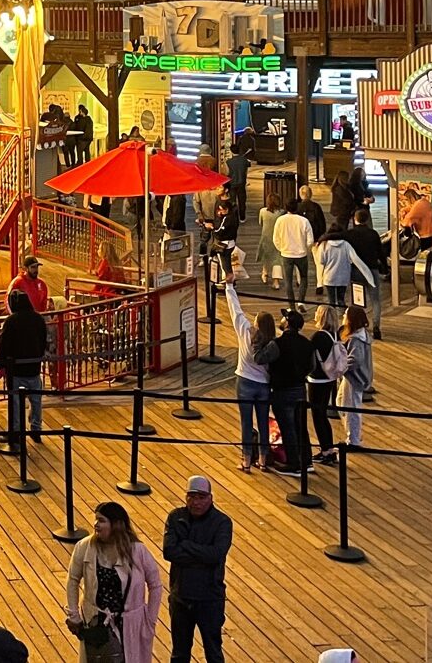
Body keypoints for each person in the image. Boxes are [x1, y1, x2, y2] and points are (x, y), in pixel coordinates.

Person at [65, 500, 163, 663]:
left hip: (129, 626)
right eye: (96, 519)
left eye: (102, 520)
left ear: (116, 525)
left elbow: (156, 585)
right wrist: (74, 615)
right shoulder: (85, 547)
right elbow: (73, 580)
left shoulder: (138, 551)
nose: (96, 524)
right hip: (96, 624)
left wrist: (150, 620)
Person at [162, 474, 232, 663]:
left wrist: (185, 544)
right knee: (179, 654)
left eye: (201, 497)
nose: (196, 502)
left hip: (209, 599)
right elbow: (169, 552)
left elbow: (216, 554)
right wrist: (201, 554)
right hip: (181, 598)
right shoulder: (175, 517)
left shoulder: (222, 522)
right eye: (191, 496)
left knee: (213, 653)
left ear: (210, 498)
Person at [223, 283, 275, 471]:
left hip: (244, 381)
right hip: (263, 385)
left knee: (246, 422)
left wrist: (229, 286)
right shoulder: (273, 343)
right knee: (263, 423)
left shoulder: (246, 331)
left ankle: (246, 460)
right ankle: (262, 458)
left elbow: (235, 309)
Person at [0, 289, 47, 446]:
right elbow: (43, 340)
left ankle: (16, 431)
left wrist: (1, 362)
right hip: (34, 367)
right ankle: (36, 429)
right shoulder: (38, 319)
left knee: (16, 403)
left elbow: (4, 344)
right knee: (36, 401)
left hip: (16, 369)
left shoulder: (11, 321)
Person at [267, 310, 314, 475]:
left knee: (288, 427)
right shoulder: (307, 344)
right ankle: (307, 460)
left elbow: (261, 359)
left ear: (287, 322)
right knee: (300, 426)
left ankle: (293, 463)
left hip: (282, 390)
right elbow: (312, 366)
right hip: (300, 389)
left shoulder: (277, 343)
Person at [306, 305, 344, 465]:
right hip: (330, 378)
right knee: (323, 414)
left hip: (317, 379)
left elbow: (309, 356)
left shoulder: (318, 337)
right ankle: (328, 449)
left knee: (318, 415)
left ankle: (326, 451)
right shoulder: (335, 334)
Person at [343, 209, 385, 339]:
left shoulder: (349, 234)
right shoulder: (373, 234)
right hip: (372, 270)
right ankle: (376, 326)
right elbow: (380, 252)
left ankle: (356, 326)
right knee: (375, 300)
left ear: (355, 219)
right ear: (366, 219)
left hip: (356, 270)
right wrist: (385, 267)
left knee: (356, 300)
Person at [337, 305, 373, 449]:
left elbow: (355, 359)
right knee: (342, 402)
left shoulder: (355, 339)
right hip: (356, 377)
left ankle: (353, 439)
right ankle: (353, 435)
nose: (343, 317)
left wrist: (341, 366)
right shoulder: (361, 336)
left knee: (350, 407)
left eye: (346, 315)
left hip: (354, 377)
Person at [273, 200, 315, 308]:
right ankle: (301, 301)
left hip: (286, 254)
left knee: (288, 281)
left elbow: (275, 239)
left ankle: (291, 306)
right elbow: (310, 240)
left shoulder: (280, 220)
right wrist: (306, 249)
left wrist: (281, 248)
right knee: (304, 278)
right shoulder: (304, 221)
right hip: (301, 254)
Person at [314, 228, 356, 310]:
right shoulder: (346, 244)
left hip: (329, 276)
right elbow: (353, 259)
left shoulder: (324, 245)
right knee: (341, 299)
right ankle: (344, 316)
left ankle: (332, 318)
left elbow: (321, 261)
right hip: (344, 276)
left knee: (331, 301)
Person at [256, 194, 284, 287]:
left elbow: (260, 223)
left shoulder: (263, 211)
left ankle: (265, 272)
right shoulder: (281, 212)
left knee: (265, 256)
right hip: (278, 238)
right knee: (277, 259)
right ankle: (276, 281)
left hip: (265, 237)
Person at [225, 147, 251, 221]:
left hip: (232, 184)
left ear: (231, 151)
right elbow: (249, 164)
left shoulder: (229, 162)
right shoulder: (244, 160)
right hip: (242, 183)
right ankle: (242, 217)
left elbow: (227, 173)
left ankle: (233, 217)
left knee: (233, 201)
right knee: (242, 201)